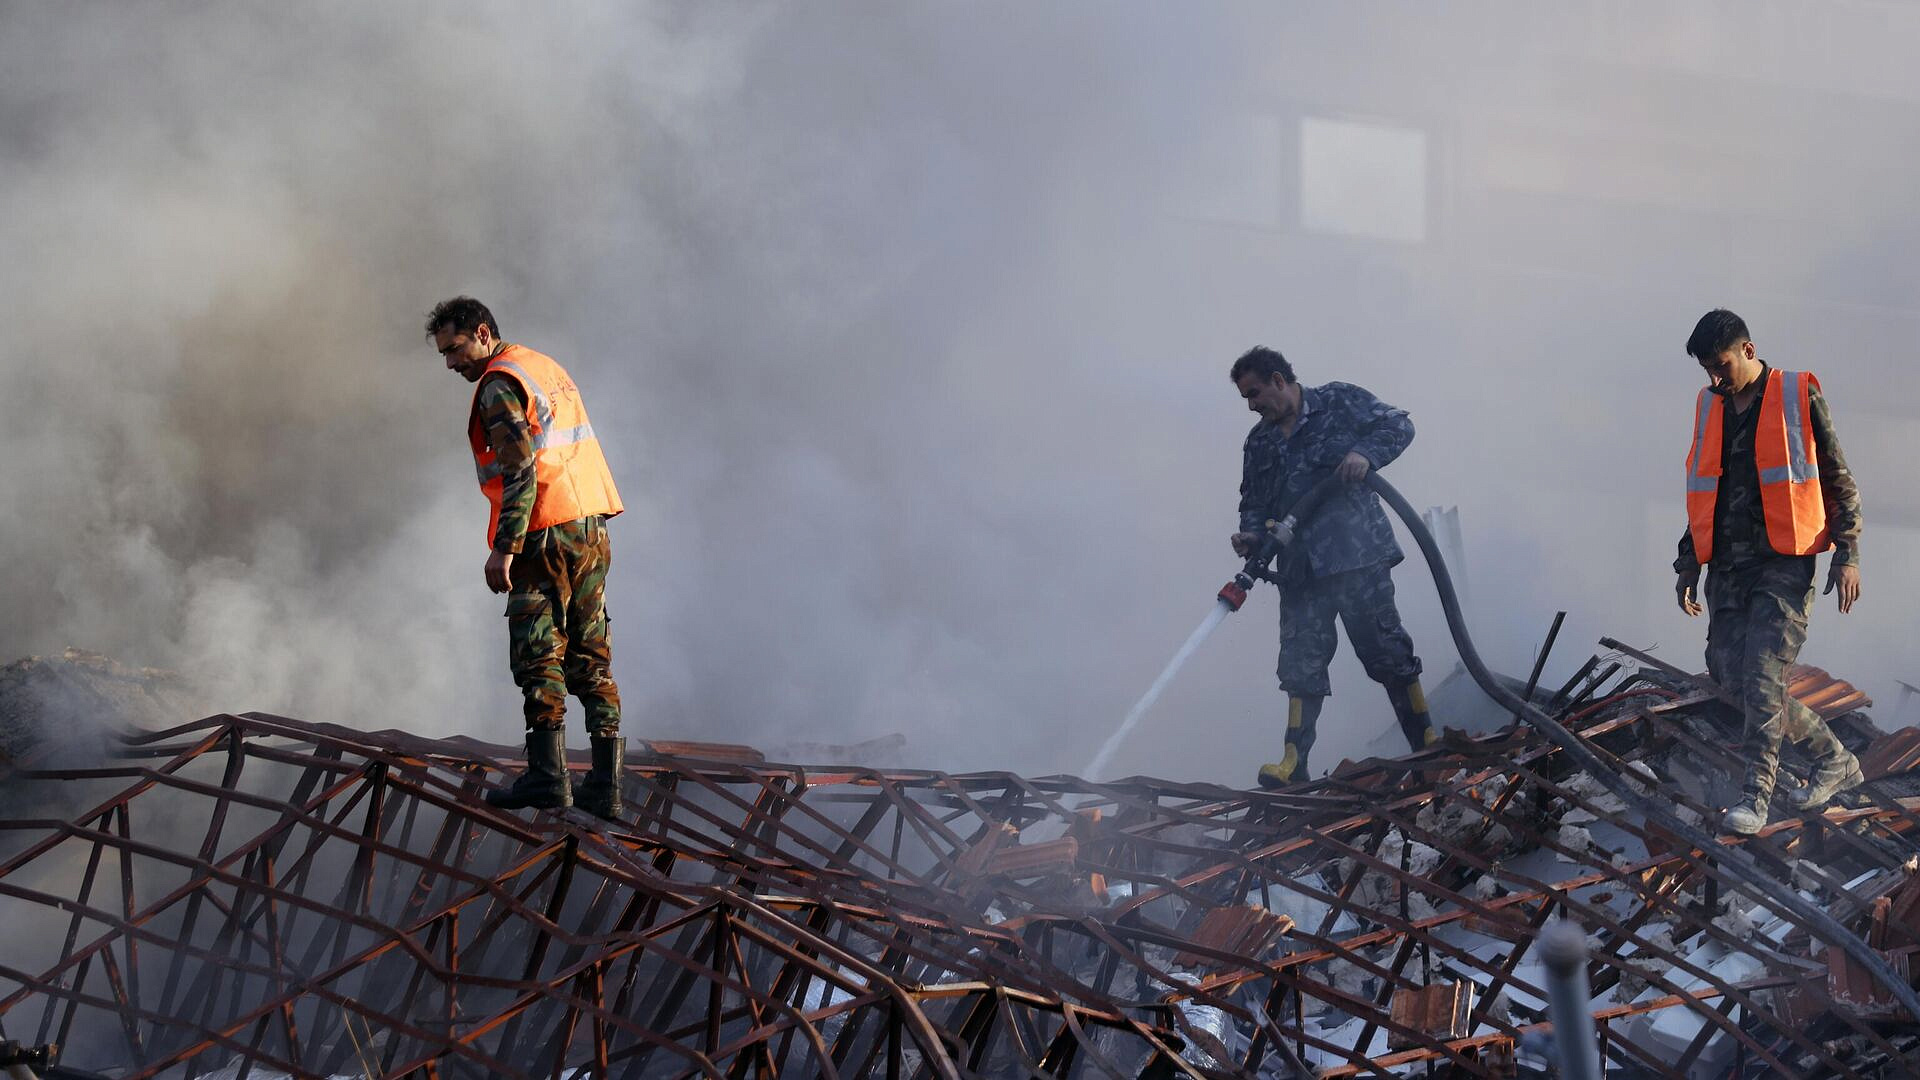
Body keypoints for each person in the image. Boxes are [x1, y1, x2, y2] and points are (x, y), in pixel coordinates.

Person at [426, 297, 627, 819]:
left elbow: (518, 471)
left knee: (538, 651)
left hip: (542, 533)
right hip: (589, 523)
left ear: (483, 332)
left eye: (456, 348)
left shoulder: (497, 383)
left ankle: (547, 778)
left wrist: (504, 548)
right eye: (445, 354)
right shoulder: (541, 366)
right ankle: (607, 786)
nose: (452, 364)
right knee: (591, 650)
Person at [1675, 309, 1864, 835]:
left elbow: (1838, 476)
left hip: (1785, 561)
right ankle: (1834, 759)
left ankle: (1755, 798)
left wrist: (1848, 554)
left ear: (1748, 351)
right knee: (1732, 675)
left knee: (1762, 675)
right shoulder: (1709, 406)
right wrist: (1688, 562)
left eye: (1721, 366)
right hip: (1728, 567)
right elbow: (1701, 487)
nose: (1714, 379)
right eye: (1707, 370)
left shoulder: (1796, 395)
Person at [1230, 346, 1434, 789]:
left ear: (1280, 380)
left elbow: (1399, 424)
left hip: (1356, 556)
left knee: (1388, 653)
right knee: (1301, 664)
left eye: (1255, 392)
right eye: (1245, 397)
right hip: (1300, 572)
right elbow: (1254, 502)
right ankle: (1292, 763)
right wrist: (1250, 537)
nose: (1251, 405)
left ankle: (1426, 744)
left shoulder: (1339, 402)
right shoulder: (1259, 442)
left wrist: (1365, 453)